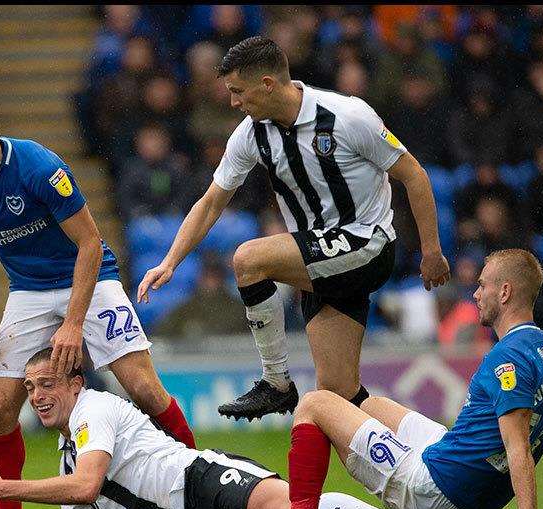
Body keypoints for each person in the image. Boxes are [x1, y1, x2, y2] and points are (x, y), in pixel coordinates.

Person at [0, 88, 195, 509]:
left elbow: (91, 244)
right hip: (29, 291)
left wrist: (73, 323)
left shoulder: (39, 168)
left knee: (144, 388)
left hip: (91, 278)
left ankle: (199, 486)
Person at [229, 249, 543, 509]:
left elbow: (517, 449)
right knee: (369, 404)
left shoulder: (506, 360)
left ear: (506, 292)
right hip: (468, 482)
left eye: (481, 286)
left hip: (436, 491)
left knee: (313, 403)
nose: (475, 294)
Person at [137, 36, 450, 421]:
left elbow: (414, 175)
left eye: (238, 91)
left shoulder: (347, 117)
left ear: (267, 84)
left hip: (367, 243)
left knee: (249, 259)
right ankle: (428, 450)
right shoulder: (251, 133)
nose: (234, 102)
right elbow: (211, 202)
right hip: (320, 261)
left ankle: (275, 383)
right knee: (337, 400)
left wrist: (431, 251)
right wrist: (170, 262)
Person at [0, 348, 462, 509]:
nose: (37, 396)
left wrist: (3, 488)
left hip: (197, 480)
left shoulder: (93, 407)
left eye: (47, 384)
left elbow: (88, 487)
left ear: (74, 383)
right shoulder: (69, 457)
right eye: (29, 388)